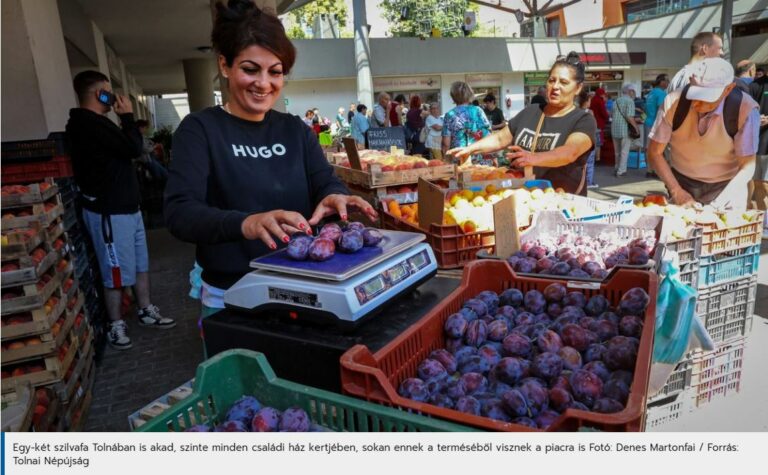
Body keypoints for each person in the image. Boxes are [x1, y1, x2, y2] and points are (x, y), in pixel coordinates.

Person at [165, 0, 377, 318]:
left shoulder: (295, 130)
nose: (264, 83)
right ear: (225, 66)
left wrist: (335, 195)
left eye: (275, 72)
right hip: (231, 296)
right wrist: (247, 223)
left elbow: (324, 181)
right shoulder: (200, 130)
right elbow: (180, 213)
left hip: (304, 287)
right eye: (250, 69)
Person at [66, 71, 175, 351]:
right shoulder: (86, 125)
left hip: (128, 209)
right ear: (99, 92)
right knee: (114, 272)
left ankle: (145, 308)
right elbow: (133, 148)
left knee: (140, 264)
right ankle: (116, 323)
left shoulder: (99, 123)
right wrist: (126, 117)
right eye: (108, 91)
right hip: (109, 213)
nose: (114, 96)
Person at [448, 52, 597, 195]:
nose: (555, 87)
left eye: (564, 82)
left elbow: (570, 152)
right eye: (552, 80)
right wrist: (470, 148)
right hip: (525, 197)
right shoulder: (532, 111)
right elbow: (500, 138)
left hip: (562, 201)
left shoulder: (583, 120)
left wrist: (533, 158)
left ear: (578, 88)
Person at [648, 58, 759, 210]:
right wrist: (676, 191)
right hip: (682, 181)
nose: (696, 104)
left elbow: (747, 166)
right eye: (695, 95)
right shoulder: (674, 101)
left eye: (707, 97)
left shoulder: (745, 109)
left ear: (728, 89)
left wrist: (720, 202)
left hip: (727, 186)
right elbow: (654, 153)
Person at [441, 81, 492, 166]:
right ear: (469, 94)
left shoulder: (449, 115)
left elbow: (446, 144)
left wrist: (446, 161)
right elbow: (488, 135)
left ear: (453, 96)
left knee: (460, 179)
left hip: (459, 159)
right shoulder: (478, 111)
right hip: (478, 159)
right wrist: (492, 158)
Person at [748, 66, 768, 237]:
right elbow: (745, 109)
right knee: (757, 182)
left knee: (764, 184)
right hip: (757, 143)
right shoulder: (755, 86)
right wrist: (755, 118)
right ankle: (762, 222)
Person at [644, 74, 669, 178]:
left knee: (649, 148)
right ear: (662, 82)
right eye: (667, 80)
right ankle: (661, 171)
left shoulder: (651, 93)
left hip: (648, 123)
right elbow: (661, 110)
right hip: (657, 125)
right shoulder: (661, 93)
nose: (668, 83)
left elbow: (646, 109)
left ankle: (650, 170)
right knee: (661, 150)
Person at [611, 84, 639, 177]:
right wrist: (636, 127)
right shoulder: (630, 101)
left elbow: (612, 114)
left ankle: (616, 168)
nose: (634, 93)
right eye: (634, 91)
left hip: (614, 128)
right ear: (630, 91)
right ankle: (621, 171)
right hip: (624, 130)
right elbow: (629, 117)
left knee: (617, 152)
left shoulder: (616, 101)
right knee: (624, 151)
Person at [577, 90, 598, 189]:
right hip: (588, 140)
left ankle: (579, 181)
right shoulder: (590, 112)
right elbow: (593, 126)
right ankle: (589, 182)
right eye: (589, 100)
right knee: (589, 163)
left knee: (580, 163)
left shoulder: (576, 112)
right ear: (586, 102)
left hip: (578, 140)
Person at [589, 87, 609, 163]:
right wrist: (607, 117)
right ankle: (597, 159)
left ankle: (593, 157)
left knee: (594, 140)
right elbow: (603, 112)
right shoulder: (600, 101)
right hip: (599, 123)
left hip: (593, 122)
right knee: (598, 141)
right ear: (602, 94)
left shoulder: (593, 99)